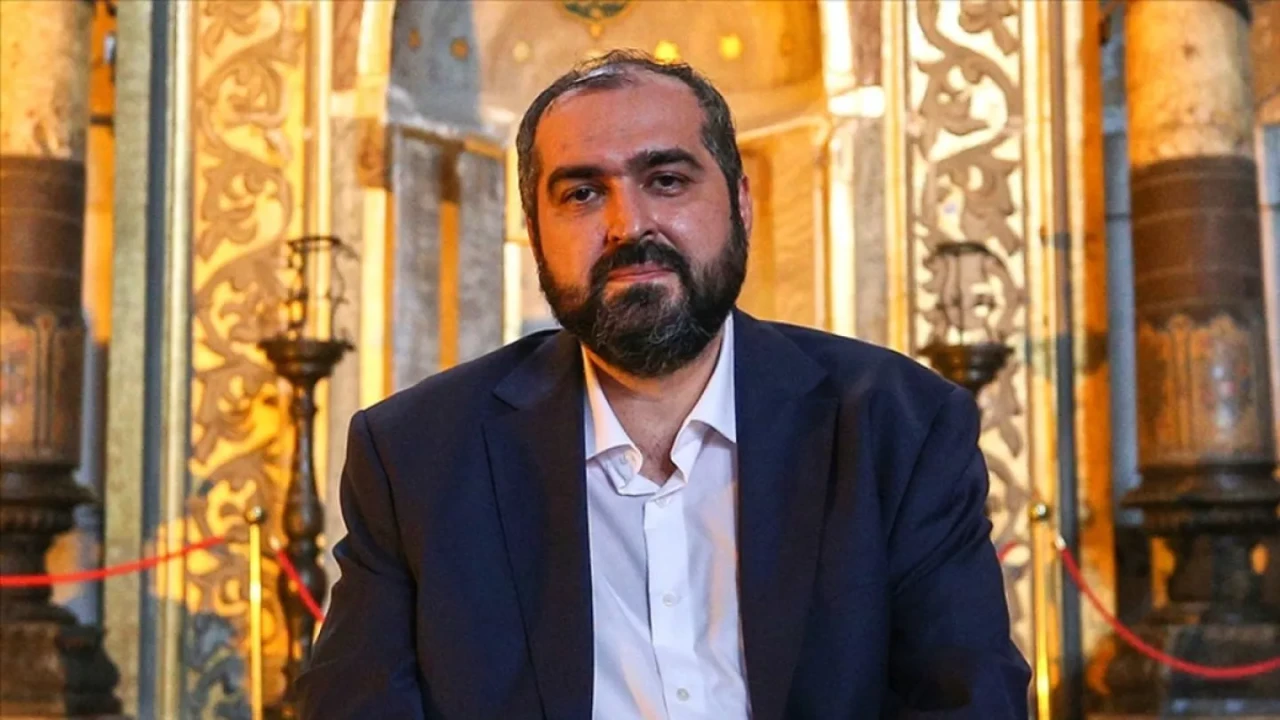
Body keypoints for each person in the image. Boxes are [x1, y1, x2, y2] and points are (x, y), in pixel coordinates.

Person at [296, 49, 1030, 720]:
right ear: (534, 230)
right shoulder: (417, 456)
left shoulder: (899, 428)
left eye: (667, 181)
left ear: (741, 203)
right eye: (583, 193)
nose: (629, 225)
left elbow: (970, 702)